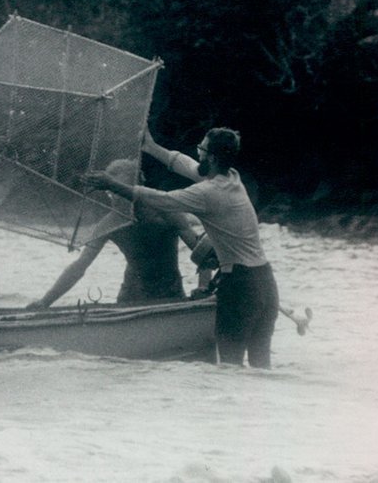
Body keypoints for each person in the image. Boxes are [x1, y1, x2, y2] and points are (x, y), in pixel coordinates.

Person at [85, 127, 278, 368]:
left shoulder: (207, 193)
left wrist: (112, 184)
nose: (197, 154)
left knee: (231, 369)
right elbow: (186, 164)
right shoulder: (232, 178)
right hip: (265, 282)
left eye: (201, 150)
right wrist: (152, 147)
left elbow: (162, 200)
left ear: (213, 158)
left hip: (239, 284)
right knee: (262, 368)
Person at [26, 159, 203, 309]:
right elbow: (80, 266)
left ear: (137, 188)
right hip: (129, 298)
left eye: (120, 191)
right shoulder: (109, 223)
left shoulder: (166, 213)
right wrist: (45, 302)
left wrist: (203, 288)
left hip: (171, 297)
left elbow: (201, 251)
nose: (116, 198)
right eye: (112, 193)